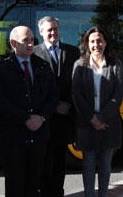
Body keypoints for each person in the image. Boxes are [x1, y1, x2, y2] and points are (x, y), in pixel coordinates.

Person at [0, 26, 58, 197]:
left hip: (39, 136)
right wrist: (25, 119)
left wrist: (41, 117)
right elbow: (1, 101)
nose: (30, 44)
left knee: (34, 184)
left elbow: (53, 97)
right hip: (13, 137)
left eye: (32, 40)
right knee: (15, 185)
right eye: (25, 40)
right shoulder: (2, 68)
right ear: (13, 43)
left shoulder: (43, 66)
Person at [72, 26, 123, 197]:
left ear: (105, 42)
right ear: (87, 44)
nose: (96, 44)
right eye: (92, 41)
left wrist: (100, 118)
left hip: (109, 123)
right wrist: (92, 119)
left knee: (105, 164)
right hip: (87, 124)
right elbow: (76, 95)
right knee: (88, 163)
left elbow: (118, 95)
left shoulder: (116, 65)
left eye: (100, 40)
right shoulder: (79, 65)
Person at [34, 16, 80, 197]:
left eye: (55, 29)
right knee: (44, 162)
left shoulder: (72, 52)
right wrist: (52, 106)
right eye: (49, 30)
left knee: (60, 163)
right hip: (44, 119)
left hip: (64, 118)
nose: (53, 33)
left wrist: (69, 105)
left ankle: (58, 193)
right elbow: (33, 87)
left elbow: (77, 84)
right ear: (41, 32)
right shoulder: (35, 53)